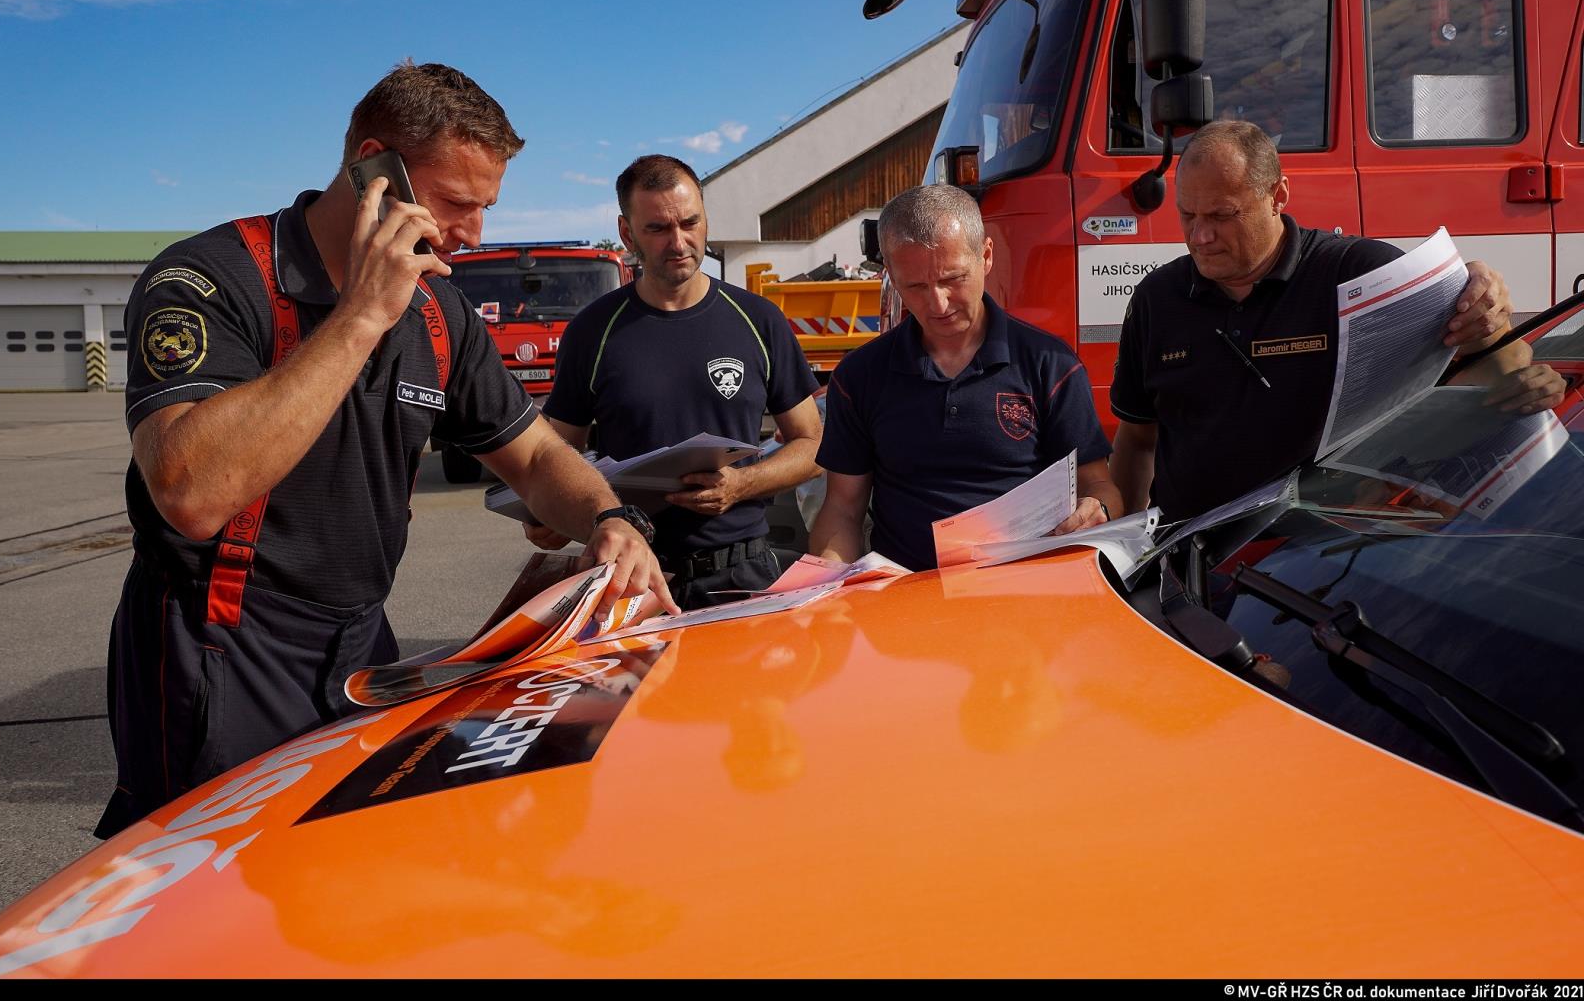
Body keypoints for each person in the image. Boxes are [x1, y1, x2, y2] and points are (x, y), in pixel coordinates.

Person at [102, 62, 673, 838]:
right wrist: (361, 316)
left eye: (485, 207)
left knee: (346, 864)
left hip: (362, 644)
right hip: (222, 646)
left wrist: (609, 518)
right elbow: (190, 491)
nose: (474, 235)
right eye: (456, 204)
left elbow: (536, 456)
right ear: (373, 165)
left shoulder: (440, 311)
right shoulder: (210, 279)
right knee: (210, 896)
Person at [1108, 119, 1563, 523]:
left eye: (1222, 215)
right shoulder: (1156, 300)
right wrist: (1123, 557)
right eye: (1187, 215)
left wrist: (1499, 328)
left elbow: (1493, 366)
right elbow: (1136, 441)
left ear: (1278, 196)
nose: (1200, 236)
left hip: (1319, 556)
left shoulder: (1359, 273)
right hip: (1192, 561)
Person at [533, 154, 823, 606]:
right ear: (627, 233)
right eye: (658, 229)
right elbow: (550, 456)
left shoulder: (758, 320)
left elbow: (815, 446)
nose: (679, 241)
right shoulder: (593, 331)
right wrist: (546, 512)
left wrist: (742, 485)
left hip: (742, 574)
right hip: (631, 579)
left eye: (690, 223)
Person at [810, 184, 1122, 572]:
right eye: (916, 286)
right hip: (904, 597)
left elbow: (1098, 486)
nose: (938, 303)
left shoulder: (1050, 364)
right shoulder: (858, 377)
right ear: (889, 274)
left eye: (952, 279)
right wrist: (825, 576)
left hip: (1026, 594)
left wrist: (1097, 509)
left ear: (986, 256)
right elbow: (842, 508)